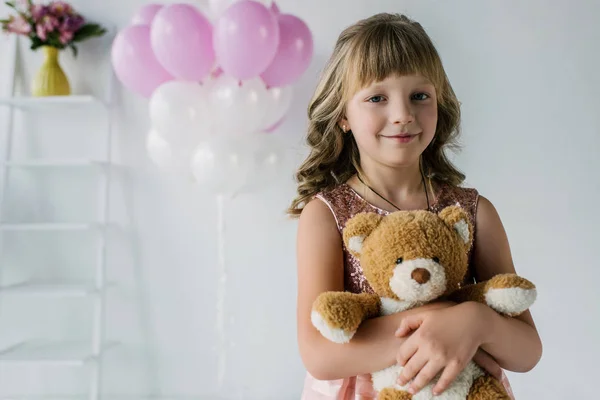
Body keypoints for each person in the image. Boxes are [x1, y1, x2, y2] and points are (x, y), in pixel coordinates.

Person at [287, 12, 542, 399]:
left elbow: (526, 351)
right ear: (342, 115)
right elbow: (319, 353)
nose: (403, 115)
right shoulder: (327, 216)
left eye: (419, 96)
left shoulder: (474, 213)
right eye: (377, 98)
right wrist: (439, 320)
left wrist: (475, 320)